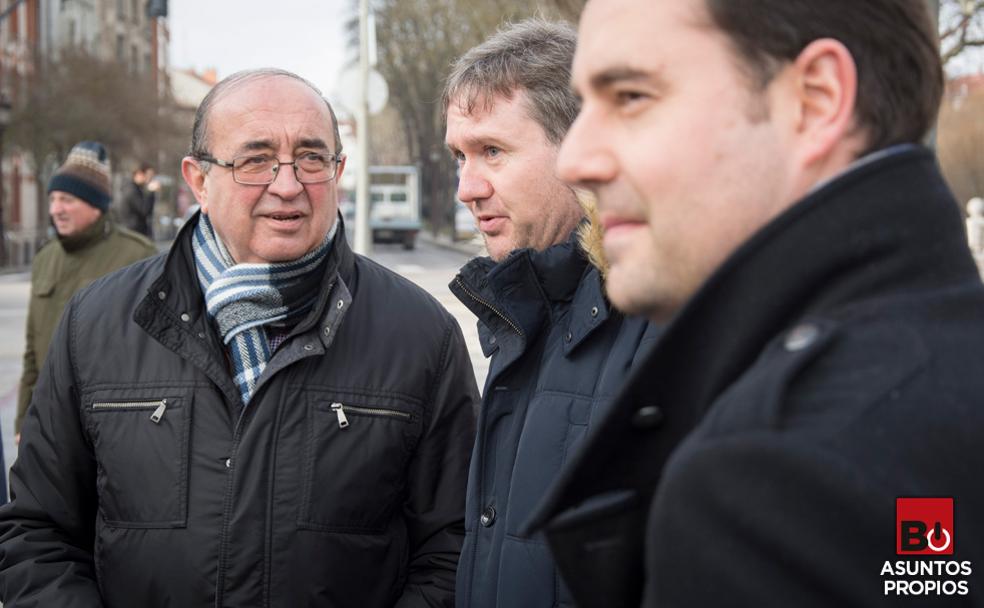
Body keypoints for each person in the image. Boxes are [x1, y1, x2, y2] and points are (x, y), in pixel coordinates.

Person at [527, 1, 984, 606]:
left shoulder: (767, 485)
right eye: (584, 105)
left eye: (631, 96)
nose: (574, 161)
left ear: (816, 100)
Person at [0, 68, 478, 607]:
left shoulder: (420, 334)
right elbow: (37, 535)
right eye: (255, 160)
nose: (288, 184)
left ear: (338, 171)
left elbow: (455, 547)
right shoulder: (96, 324)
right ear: (198, 180)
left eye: (312, 158)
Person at [444, 19, 658, 608]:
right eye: (459, 156)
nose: (466, 187)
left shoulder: (657, 316)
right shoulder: (522, 315)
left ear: (582, 145)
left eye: (492, 151)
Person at [15, 141, 157, 444]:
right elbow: (32, 350)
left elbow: (154, 352)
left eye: (66, 199)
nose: (56, 209)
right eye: (53, 199)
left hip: (110, 424)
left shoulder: (137, 256)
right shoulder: (45, 257)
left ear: (95, 204)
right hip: (48, 419)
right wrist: (23, 419)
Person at [119, 162, 159, 239]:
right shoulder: (131, 190)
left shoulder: (135, 188)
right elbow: (145, 210)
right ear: (139, 174)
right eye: (148, 176)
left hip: (136, 233)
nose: (150, 179)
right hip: (134, 234)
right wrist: (151, 192)